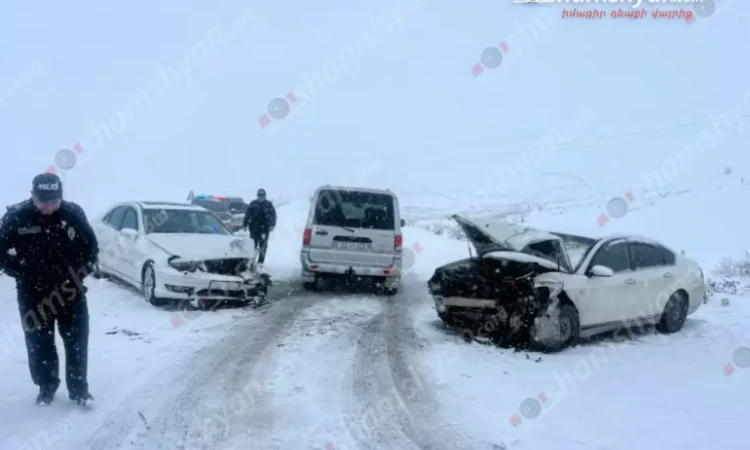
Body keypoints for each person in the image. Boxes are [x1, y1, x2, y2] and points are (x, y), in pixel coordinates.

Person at [0, 173, 99, 406]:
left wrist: (79, 275)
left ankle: (79, 390)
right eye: (43, 201)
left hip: (70, 291)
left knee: (76, 340)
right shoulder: (17, 216)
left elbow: (91, 249)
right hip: (32, 294)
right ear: (32, 195)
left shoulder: (73, 213)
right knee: (39, 343)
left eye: (54, 201)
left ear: (61, 196)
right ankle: (46, 386)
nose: (48, 206)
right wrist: (21, 271)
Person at [242, 188, 276, 266]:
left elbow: (273, 216)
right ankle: (251, 261)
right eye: (259, 195)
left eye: (262, 196)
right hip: (253, 229)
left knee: (263, 246)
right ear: (257, 196)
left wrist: (272, 225)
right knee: (252, 246)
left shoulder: (269, 205)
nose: (261, 197)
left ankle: (260, 262)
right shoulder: (253, 204)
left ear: (265, 196)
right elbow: (247, 215)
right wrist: (245, 224)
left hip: (264, 230)